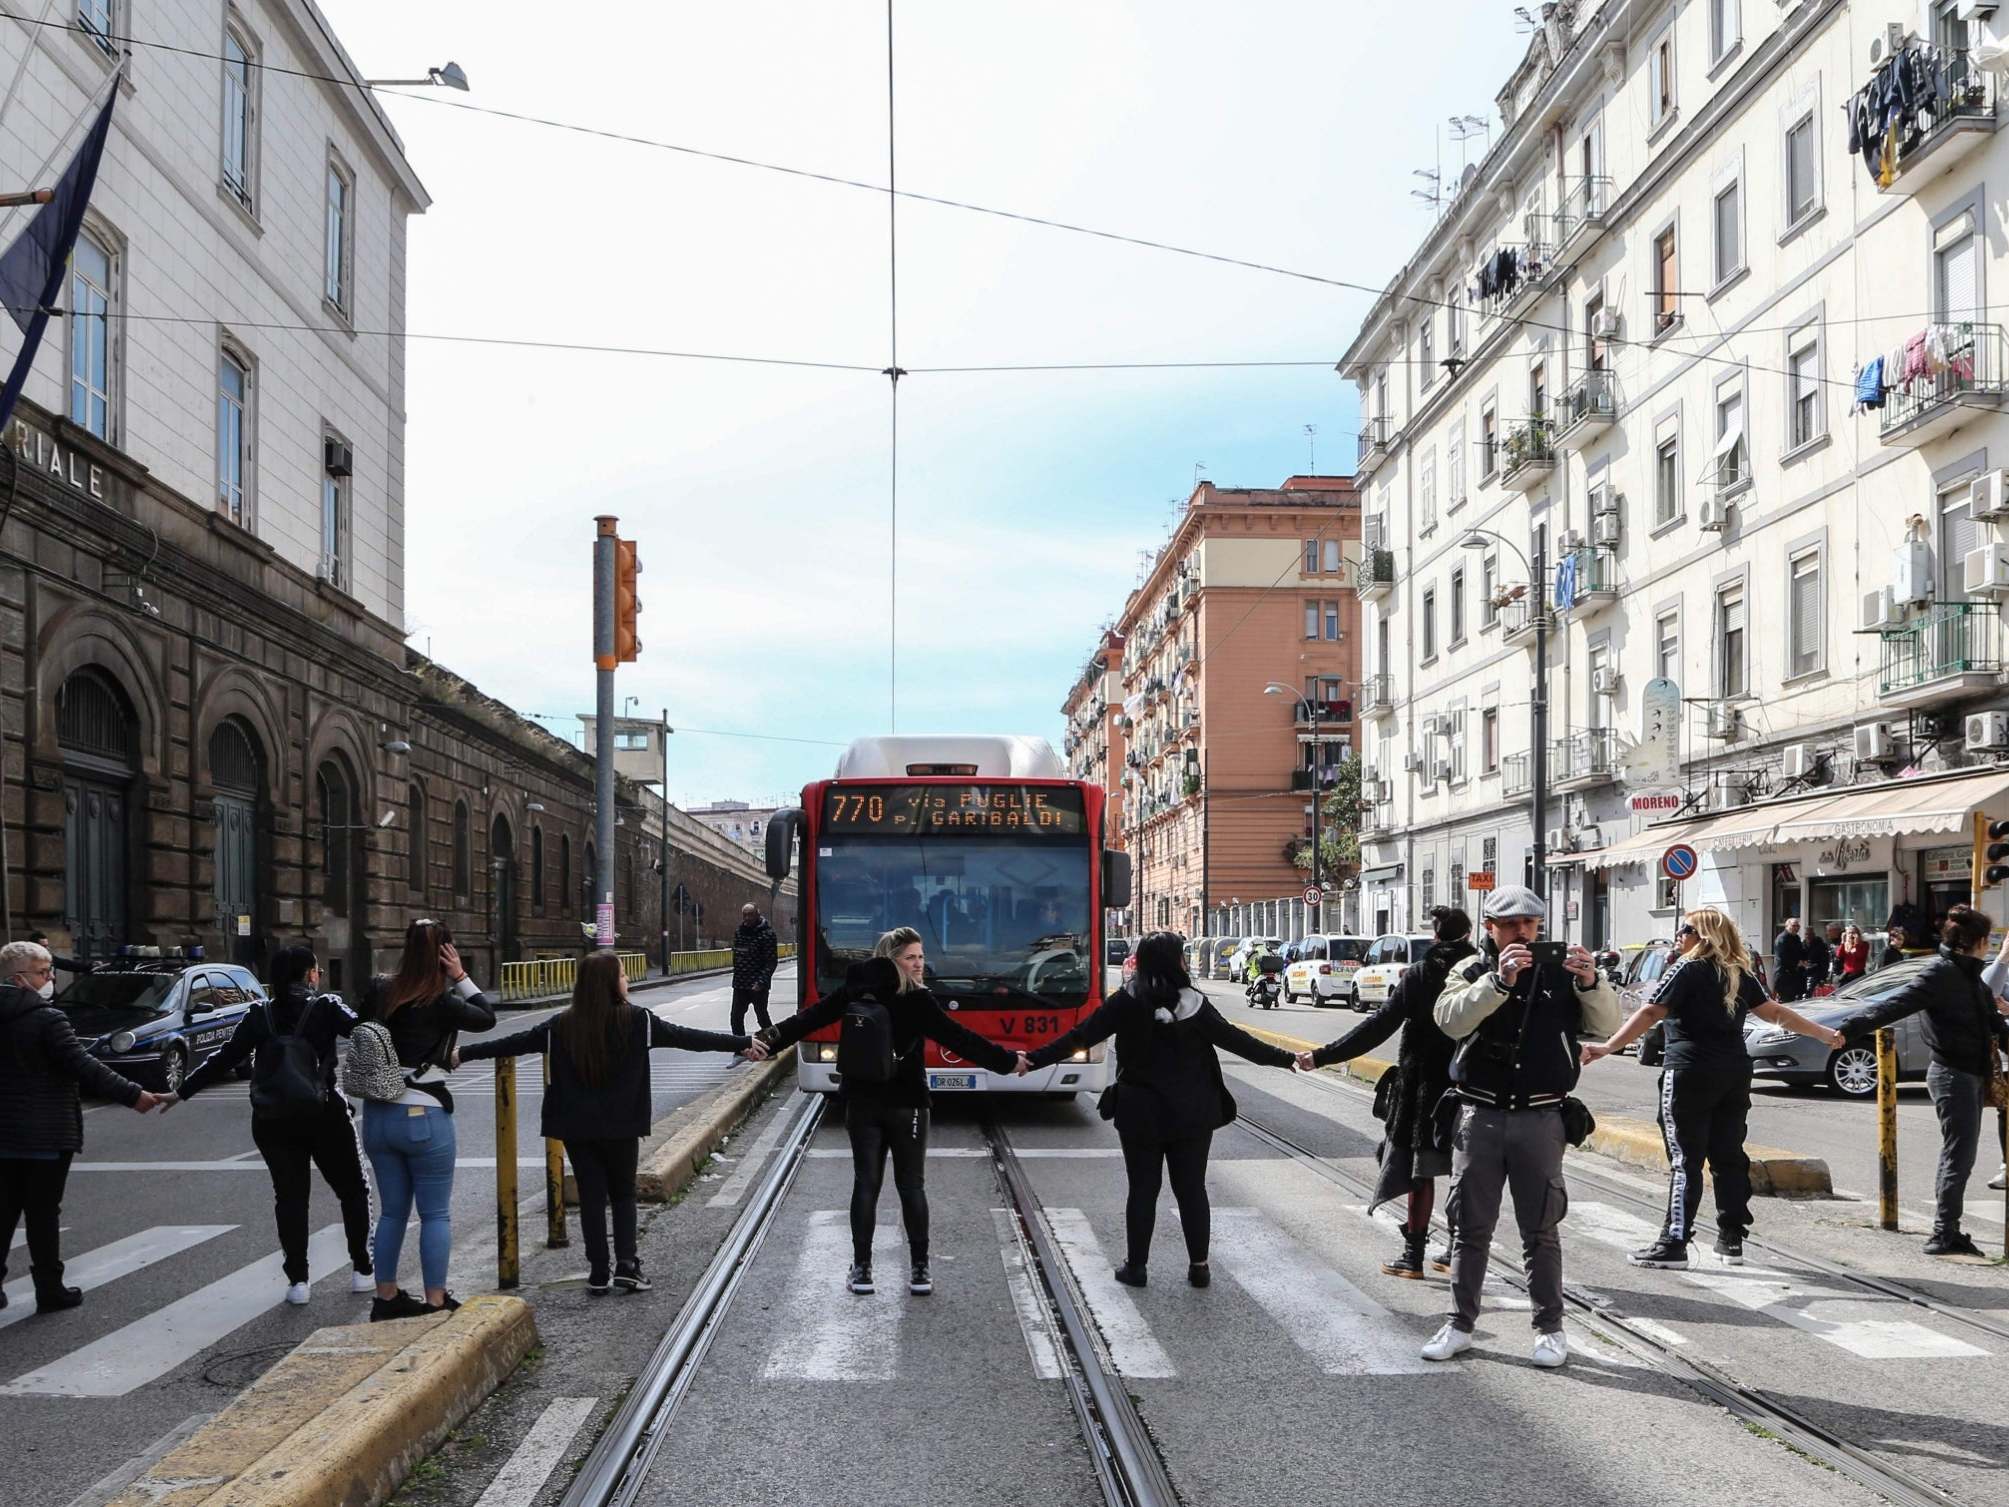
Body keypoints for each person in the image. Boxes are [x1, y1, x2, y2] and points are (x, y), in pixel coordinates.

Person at [458, 951, 757, 1294]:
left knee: (591, 1196)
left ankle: (598, 1271)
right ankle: (627, 1265)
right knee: (622, 1193)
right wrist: (743, 1043)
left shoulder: (560, 1025)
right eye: (623, 976)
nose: (627, 981)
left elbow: (511, 1043)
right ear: (611, 984)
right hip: (621, 1124)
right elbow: (690, 1038)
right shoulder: (637, 1020)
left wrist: (463, 1054)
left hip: (575, 1126)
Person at [751, 927, 1017, 1296]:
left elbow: (809, 1019)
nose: (920, 964)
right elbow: (961, 1039)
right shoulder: (918, 1000)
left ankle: (862, 1270)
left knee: (866, 1183)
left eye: (922, 957)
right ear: (892, 960)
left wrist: (767, 1038)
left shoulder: (855, 992)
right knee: (911, 1185)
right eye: (911, 957)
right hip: (908, 1103)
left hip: (862, 1102)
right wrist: (1008, 1061)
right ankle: (920, 1270)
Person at [1022, 931, 1297, 1288]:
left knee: (1142, 1189)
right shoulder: (1196, 1005)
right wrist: (1288, 1059)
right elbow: (1239, 1043)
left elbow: (1081, 1037)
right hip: (1192, 1114)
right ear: (1176, 962)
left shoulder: (1125, 1001)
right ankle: (1199, 1267)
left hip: (1139, 1113)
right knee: (1192, 1188)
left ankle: (1136, 1267)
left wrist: (1031, 1060)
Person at [1422, 886, 1622, 1370]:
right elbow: (1448, 1021)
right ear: (1489, 928)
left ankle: (1549, 1329)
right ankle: (1460, 1323)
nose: (1523, 934)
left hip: (1541, 1116)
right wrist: (1499, 981)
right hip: (1480, 1115)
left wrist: (1593, 982)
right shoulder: (1471, 971)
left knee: (1542, 1230)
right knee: (1470, 1229)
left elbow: (1606, 1027)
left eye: (1531, 925)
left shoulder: (1563, 974)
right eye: (1511, 926)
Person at [1583, 909, 1842, 1268]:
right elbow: (1775, 1012)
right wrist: (1824, 1034)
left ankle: (1674, 1241)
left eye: (1684, 929)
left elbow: (1649, 1013)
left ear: (1701, 936)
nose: (1678, 935)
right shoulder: (1738, 972)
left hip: (1689, 1072)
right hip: (1734, 1073)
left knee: (1684, 1160)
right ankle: (1731, 1239)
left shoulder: (1685, 968)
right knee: (1728, 1156)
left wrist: (1607, 1048)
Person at [162, 945, 374, 1305]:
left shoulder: (259, 1014)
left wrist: (180, 1092)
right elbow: (366, 1030)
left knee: (290, 1198)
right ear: (309, 974)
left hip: (272, 1118)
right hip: (324, 1114)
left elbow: (225, 1057)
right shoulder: (326, 1007)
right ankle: (362, 1270)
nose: (319, 976)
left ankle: (298, 1282)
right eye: (317, 970)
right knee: (353, 1190)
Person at [1297, 905, 1474, 1279]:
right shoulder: (1482, 973)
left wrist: (1323, 1056)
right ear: (1470, 934)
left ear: (1435, 937)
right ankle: (1458, 1251)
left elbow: (1378, 1027)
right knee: (1467, 1173)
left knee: (1418, 1171)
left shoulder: (1421, 974)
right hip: (1471, 1086)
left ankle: (1413, 1257)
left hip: (1424, 1087)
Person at [1837, 906, 2009, 1256]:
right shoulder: (1941, 974)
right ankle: (1944, 1233)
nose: (1988, 947)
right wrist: (1847, 1028)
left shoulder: (1969, 976)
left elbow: (1994, 1025)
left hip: (1971, 1073)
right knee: (1958, 1154)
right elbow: (1894, 1005)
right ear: (1975, 942)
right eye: (1987, 941)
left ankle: (1949, 1230)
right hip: (1952, 1075)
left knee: (1963, 1154)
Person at [0, 940, 160, 1312]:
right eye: (44, 972)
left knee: (3, 1211)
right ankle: (50, 1289)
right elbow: (82, 1066)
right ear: (21, 978)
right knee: (42, 1214)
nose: (51, 978)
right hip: (44, 1134)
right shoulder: (46, 1018)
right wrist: (134, 1095)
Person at [358, 920, 498, 1318]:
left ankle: (385, 1298)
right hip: (423, 1114)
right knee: (434, 1213)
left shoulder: (380, 990)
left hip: (378, 1115)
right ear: (445, 952)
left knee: (391, 1212)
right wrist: (461, 976)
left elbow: (357, 1027)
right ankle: (435, 1299)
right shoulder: (440, 998)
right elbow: (485, 1017)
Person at [731, 903, 780, 1035]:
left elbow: (771, 962)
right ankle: (740, 1046)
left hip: (758, 985)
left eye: (750, 915)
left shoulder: (768, 934)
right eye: (744, 915)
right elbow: (736, 955)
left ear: (757, 914)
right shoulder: (739, 932)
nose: (747, 918)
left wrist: (761, 982)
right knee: (735, 1017)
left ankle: (774, 1046)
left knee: (762, 1018)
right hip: (740, 984)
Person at [1771, 918, 1806, 1002]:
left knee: (1797, 1000)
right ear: (1787, 926)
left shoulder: (1796, 938)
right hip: (1784, 975)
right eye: (1793, 926)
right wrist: (1797, 963)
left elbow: (1801, 952)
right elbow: (1783, 957)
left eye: (1798, 926)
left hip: (1795, 976)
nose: (1796, 928)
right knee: (1787, 1001)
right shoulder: (1782, 939)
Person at [1805, 923, 1838, 993]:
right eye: (1806, 934)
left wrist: (1823, 977)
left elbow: (1825, 962)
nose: (1808, 936)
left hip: (1817, 974)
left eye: (1810, 934)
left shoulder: (1821, 945)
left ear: (1814, 934)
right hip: (1805, 974)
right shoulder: (1803, 944)